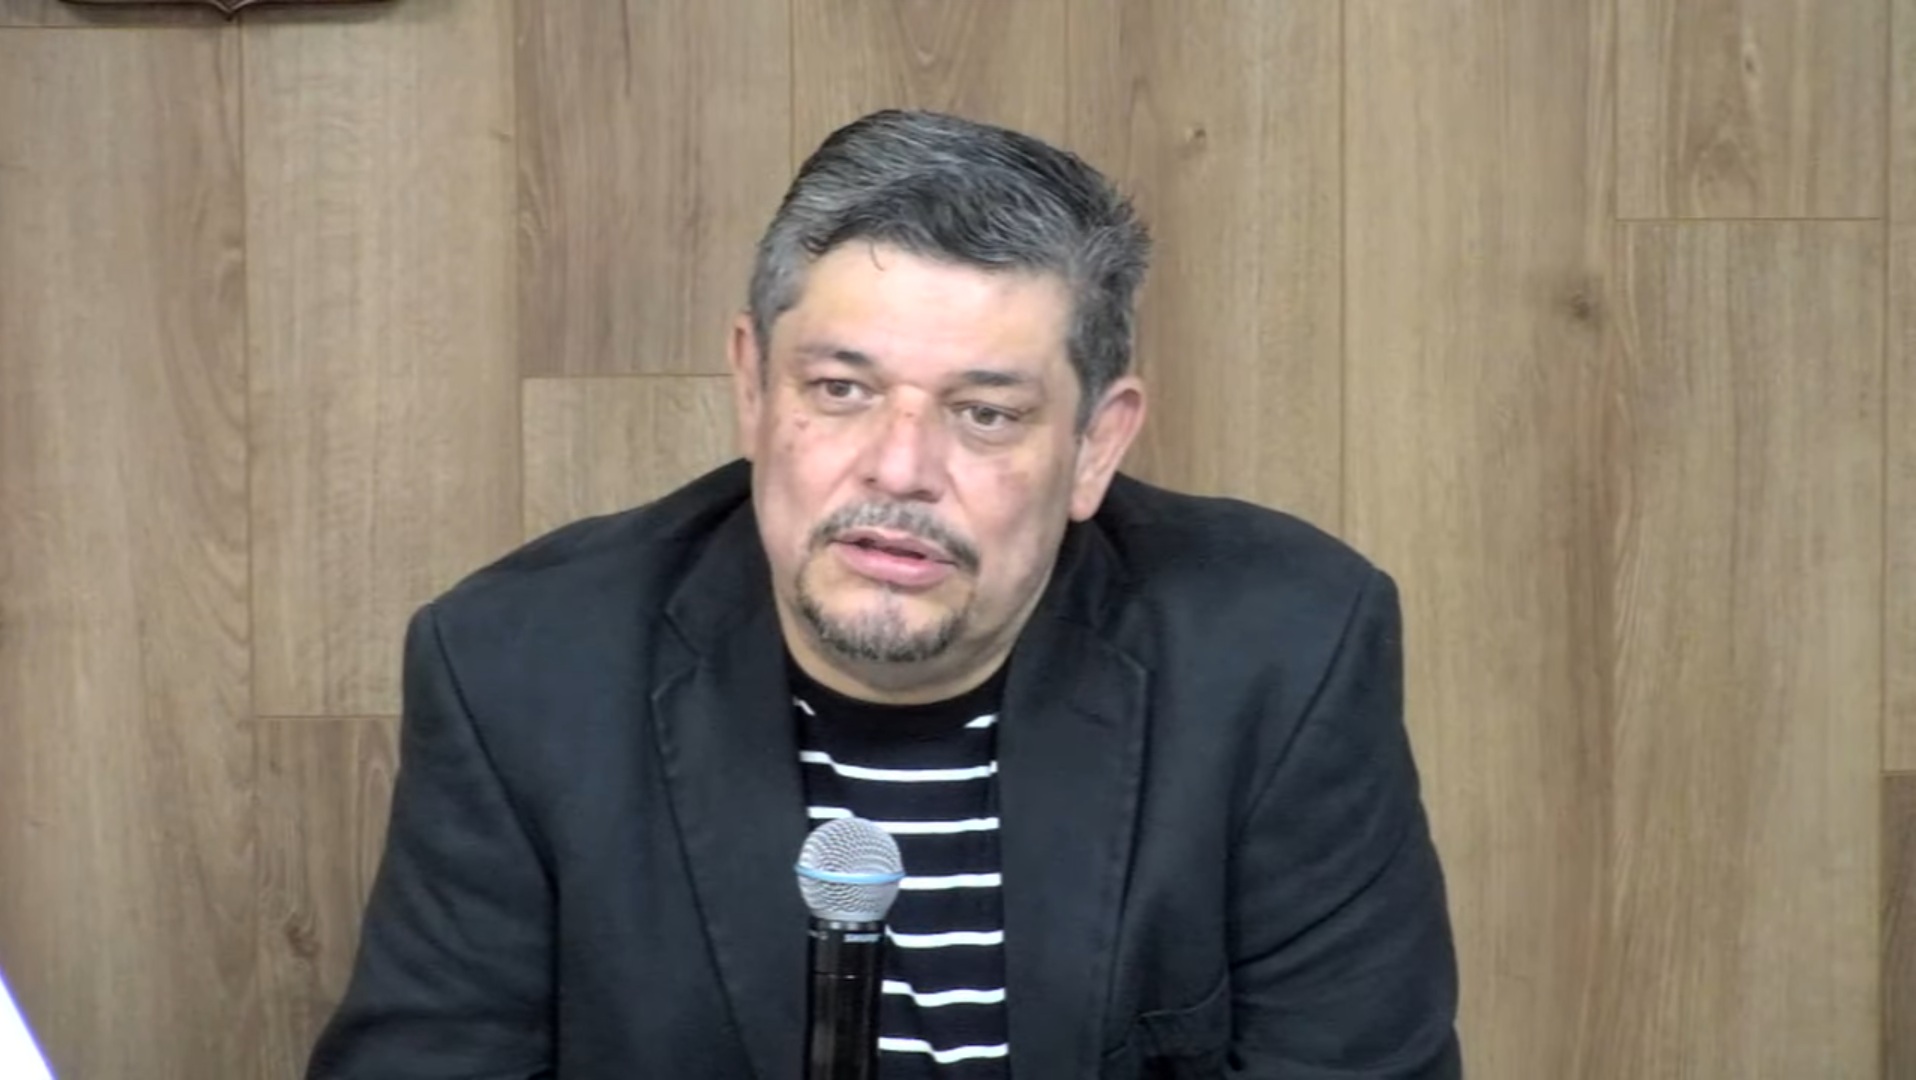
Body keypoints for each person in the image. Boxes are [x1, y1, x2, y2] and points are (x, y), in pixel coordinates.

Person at [306, 109, 1461, 1079]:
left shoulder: (1280, 654)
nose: (898, 470)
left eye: (984, 413)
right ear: (753, 388)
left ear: (1095, 446)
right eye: (841, 390)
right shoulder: (522, 670)